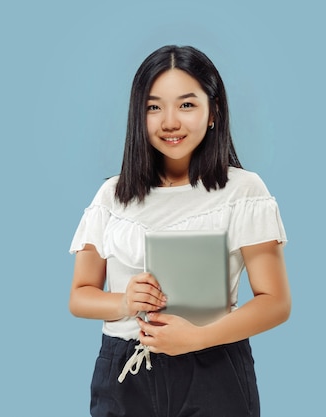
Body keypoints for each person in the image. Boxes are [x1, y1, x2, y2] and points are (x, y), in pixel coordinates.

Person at [69, 45, 291, 417]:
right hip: (126, 367)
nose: (169, 122)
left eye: (186, 105)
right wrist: (124, 302)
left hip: (215, 364)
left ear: (213, 113)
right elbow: (79, 296)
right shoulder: (111, 195)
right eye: (154, 107)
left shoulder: (244, 191)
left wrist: (198, 338)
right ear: (138, 115)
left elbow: (276, 301)